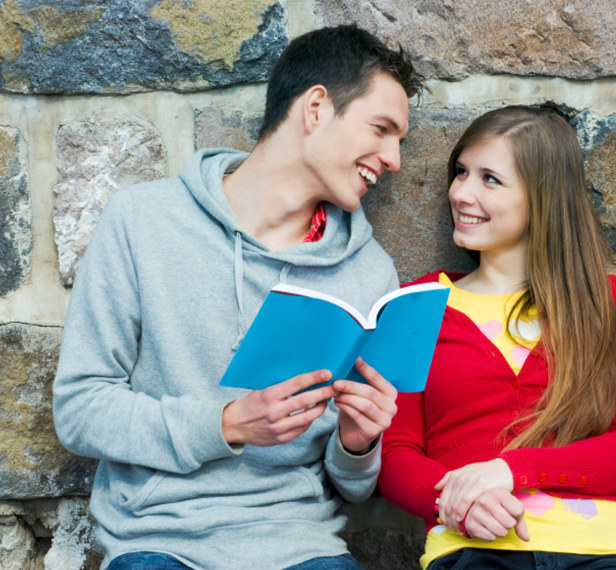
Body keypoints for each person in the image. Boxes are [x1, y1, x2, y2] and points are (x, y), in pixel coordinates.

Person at [53, 25, 425, 570]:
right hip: (157, 539)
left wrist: (358, 441)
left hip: (302, 547)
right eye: (382, 129)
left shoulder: (368, 274)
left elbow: (352, 489)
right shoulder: (143, 221)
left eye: (400, 141)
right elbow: (80, 409)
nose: (392, 158)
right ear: (316, 107)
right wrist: (226, 424)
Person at [378, 106, 616, 569]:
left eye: (490, 179)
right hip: (472, 548)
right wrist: (458, 502)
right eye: (461, 172)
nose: (462, 193)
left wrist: (510, 469)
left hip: (603, 550)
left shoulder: (607, 301)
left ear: (542, 197)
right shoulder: (416, 305)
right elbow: (395, 454)